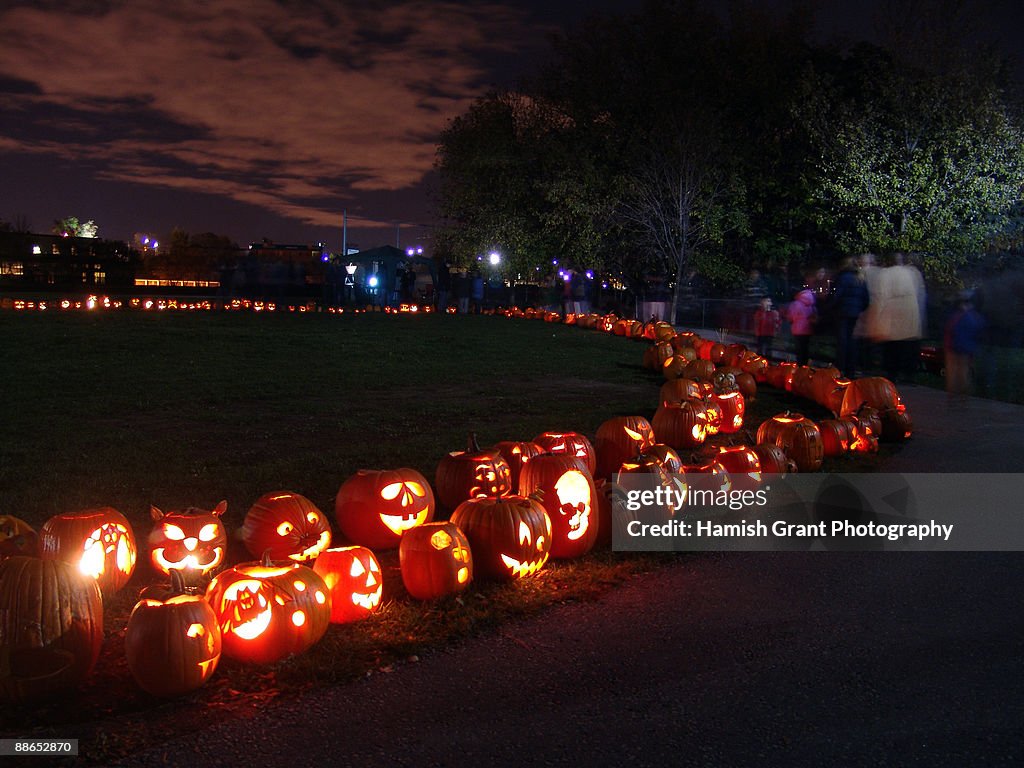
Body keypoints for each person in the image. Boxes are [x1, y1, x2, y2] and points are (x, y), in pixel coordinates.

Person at [832, 256, 870, 377]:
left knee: (842, 341)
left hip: (842, 312)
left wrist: (831, 307)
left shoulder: (842, 277)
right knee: (852, 341)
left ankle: (839, 368)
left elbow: (837, 295)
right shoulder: (860, 278)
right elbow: (866, 298)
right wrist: (859, 309)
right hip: (854, 313)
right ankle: (851, 370)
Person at [944, 292, 985, 402]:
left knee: (953, 371)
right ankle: (963, 395)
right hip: (967, 348)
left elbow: (948, 330)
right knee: (964, 371)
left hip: (953, 347)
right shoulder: (974, 317)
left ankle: (952, 394)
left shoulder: (954, 315)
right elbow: (979, 331)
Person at [786, 287, 817, 366]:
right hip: (808, 329)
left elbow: (791, 316)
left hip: (798, 330)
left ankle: (800, 366)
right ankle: (805, 365)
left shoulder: (796, 304)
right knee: (805, 348)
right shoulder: (812, 304)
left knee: (799, 349)